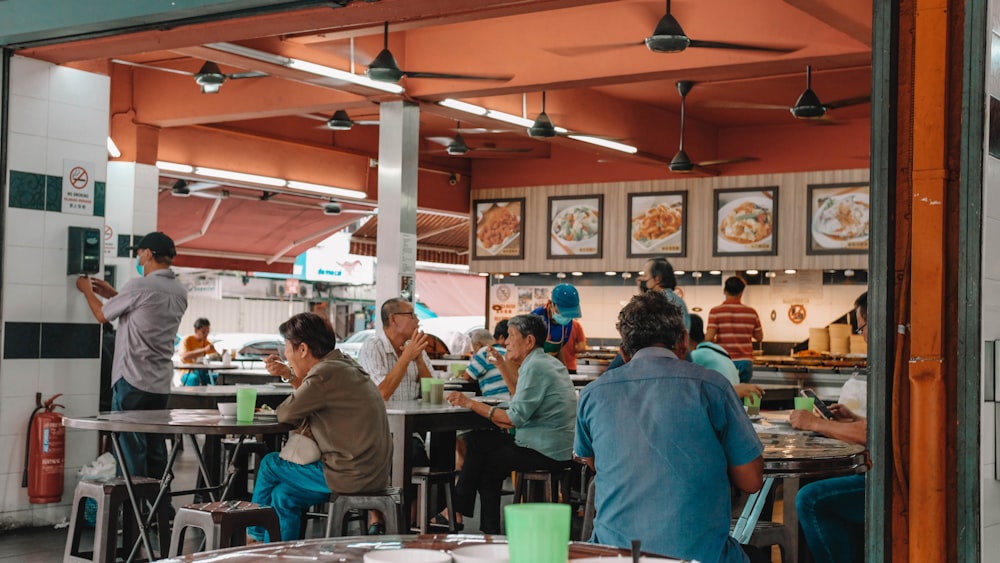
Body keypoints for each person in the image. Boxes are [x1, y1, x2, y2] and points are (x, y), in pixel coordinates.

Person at [574, 291, 764, 563]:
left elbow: (591, 460)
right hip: (699, 557)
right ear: (683, 342)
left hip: (615, 556)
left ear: (623, 353)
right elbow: (751, 480)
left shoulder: (593, 394)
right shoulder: (713, 387)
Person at [248, 313, 392, 542]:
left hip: (348, 473)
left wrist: (288, 376)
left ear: (303, 349)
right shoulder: (344, 365)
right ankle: (280, 555)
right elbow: (313, 394)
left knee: (269, 464)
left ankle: (253, 536)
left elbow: (286, 413)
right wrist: (289, 374)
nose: (286, 355)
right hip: (373, 472)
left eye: (287, 347)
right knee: (283, 496)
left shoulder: (324, 374)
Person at [446, 314, 577, 534]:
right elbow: (519, 397)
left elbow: (512, 419)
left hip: (544, 450)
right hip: (557, 446)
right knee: (481, 444)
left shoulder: (535, 367)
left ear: (529, 341)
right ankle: (467, 515)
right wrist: (501, 364)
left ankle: (467, 516)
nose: (506, 342)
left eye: (511, 336)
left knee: (483, 453)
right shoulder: (544, 362)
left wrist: (469, 403)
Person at [75, 232, 188, 479]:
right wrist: (114, 294)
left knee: (129, 450)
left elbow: (103, 316)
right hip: (159, 384)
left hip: (132, 379)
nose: (138, 257)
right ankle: (158, 508)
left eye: (139, 253)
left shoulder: (139, 285)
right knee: (155, 448)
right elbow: (143, 313)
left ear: (148, 253)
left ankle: (134, 511)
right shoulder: (179, 292)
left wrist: (86, 291)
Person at [788, 291, 868, 563]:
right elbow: (884, 427)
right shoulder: (893, 361)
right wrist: (851, 420)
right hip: (884, 469)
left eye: (861, 328)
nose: (862, 335)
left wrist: (815, 423)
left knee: (810, 499)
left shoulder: (896, 363)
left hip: (892, 480)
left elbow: (874, 434)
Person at [356, 297, 434, 533]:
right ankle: (378, 518)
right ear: (393, 319)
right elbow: (381, 393)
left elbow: (431, 390)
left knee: (422, 458)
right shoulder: (373, 348)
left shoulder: (414, 347)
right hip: (377, 431)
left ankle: (406, 522)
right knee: (399, 457)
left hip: (411, 430)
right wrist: (406, 358)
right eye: (411, 315)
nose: (417, 320)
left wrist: (418, 358)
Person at [689, 314, 764, 402]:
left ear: (686, 337)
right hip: (735, 403)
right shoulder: (718, 349)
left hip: (723, 403)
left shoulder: (697, 355)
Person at [706, 276, 763, 383]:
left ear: (724, 291)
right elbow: (759, 337)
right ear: (741, 293)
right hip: (745, 361)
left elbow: (709, 337)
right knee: (742, 394)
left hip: (724, 360)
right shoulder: (751, 312)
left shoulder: (716, 311)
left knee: (725, 394)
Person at [529, 283, 584, 371]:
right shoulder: (537, 317)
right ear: (551, 304)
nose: (565, 316)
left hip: (552, 366)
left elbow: (559, 349)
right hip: (533, 367)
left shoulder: (567, 321)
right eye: (562, 311)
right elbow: (527, 350)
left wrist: (563, 372)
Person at [636, 257, 691, 330]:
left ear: (657, 279)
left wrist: (642, 298)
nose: (641, 279)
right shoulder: (677, 300)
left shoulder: (660, 301)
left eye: (645, 275)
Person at [463, 322, 511, 398]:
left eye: (474, 348)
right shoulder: (505, 351)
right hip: (510, 400)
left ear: (478, 345)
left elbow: (467, 377)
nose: (474, 352)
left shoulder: (485, 351)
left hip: (495, 401)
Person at [179, 318, 219, 386]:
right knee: (194, 379)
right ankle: (193, 396)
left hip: (201, 372)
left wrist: (221, 355)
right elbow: (184, 356)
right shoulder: (187, 340)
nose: (206, 334)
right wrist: (204, 350)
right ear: (196, 330)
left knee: (219, 377)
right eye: (203, 332)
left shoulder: (206, 342)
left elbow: (216, 355)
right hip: (187, 372)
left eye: (208, 332)